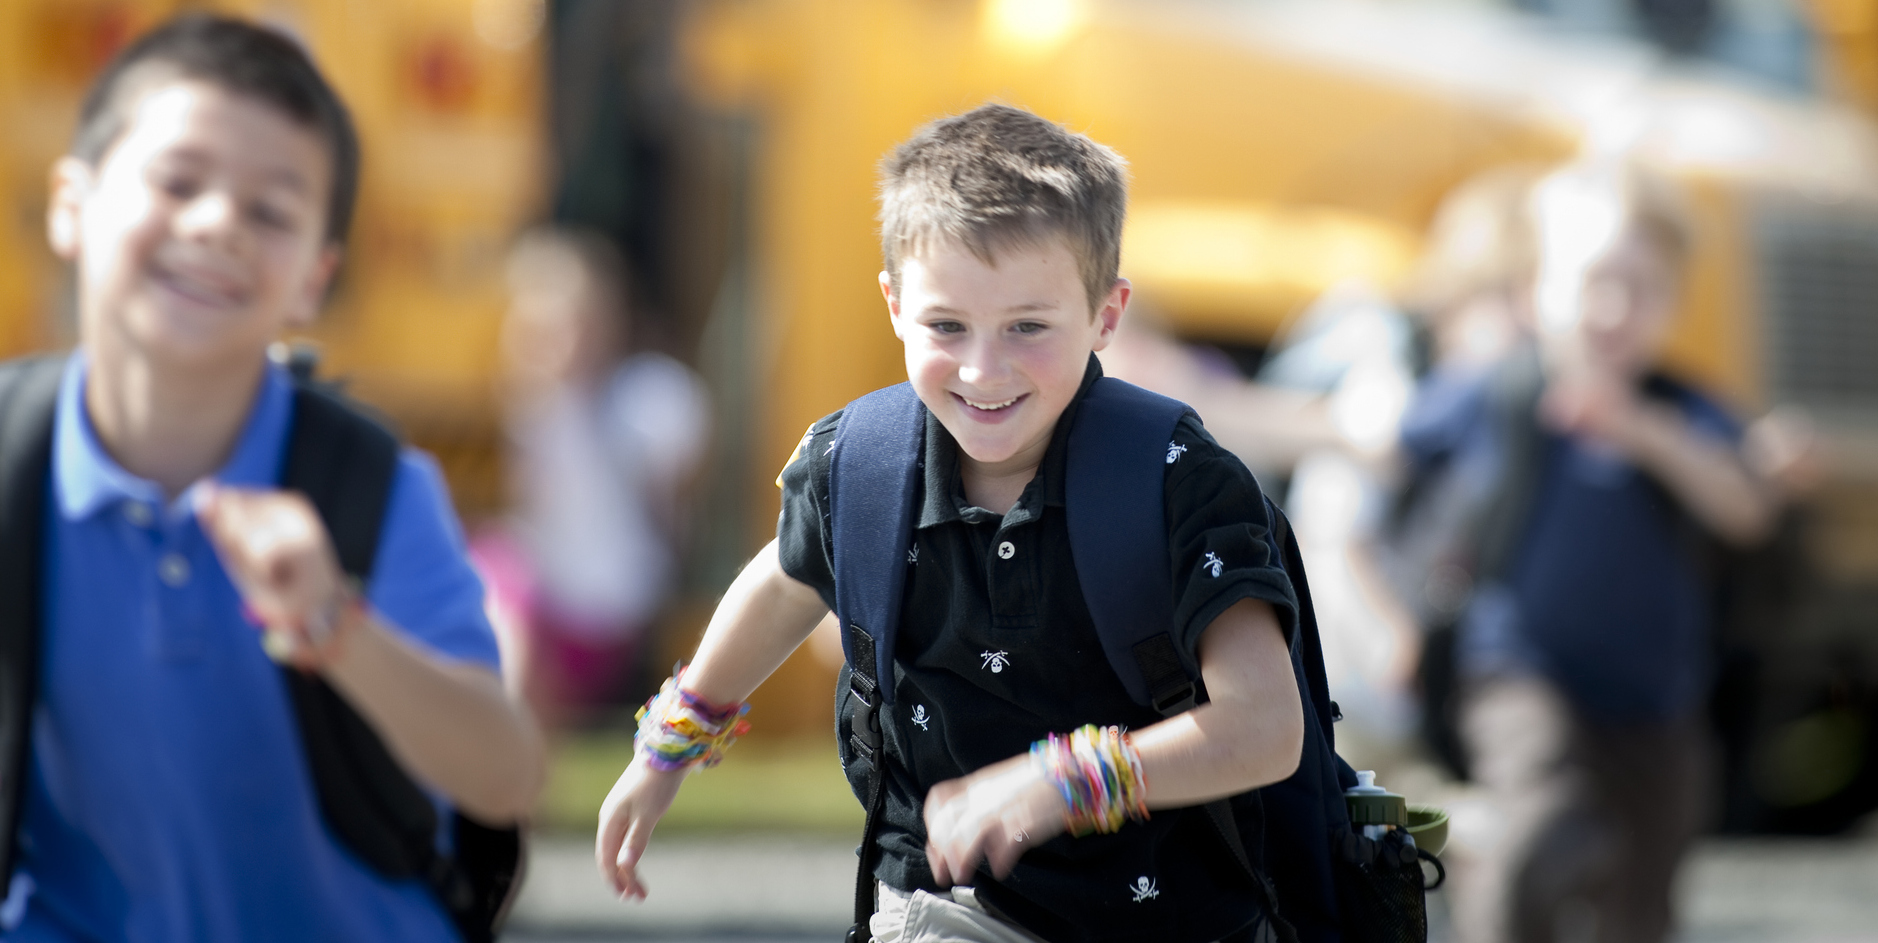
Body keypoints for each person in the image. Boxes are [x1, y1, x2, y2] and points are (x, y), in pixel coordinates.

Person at [596, 104, 1306, 943]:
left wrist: (1056, 782)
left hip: (1174, 918)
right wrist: (668, 744)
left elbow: (1264, 729)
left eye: (1029, 327)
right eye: (946, 326)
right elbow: (784, 584)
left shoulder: (1177, 480)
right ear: (894, 304)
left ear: (1107, 315)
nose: (982, 369)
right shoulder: (855, 464)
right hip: (944, 907)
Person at [8, 15, 543, 940]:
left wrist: (334, 623)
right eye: (177, 181)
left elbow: (505, 774)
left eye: (271, 211)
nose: (217, 224)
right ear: (70, 204)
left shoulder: (371, 485)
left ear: (312, 278)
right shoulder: (13, 461)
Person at [1398, 161, 1781, 943]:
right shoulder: (1504, 390)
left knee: (1642, 899)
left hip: (1656, 700)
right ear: (1539, 292)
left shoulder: (1680, 406)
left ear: (1673, 304)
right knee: (1540, 831)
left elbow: (1745, 507)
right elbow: (1393, 438)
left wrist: (1639, 430)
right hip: (1524, 671)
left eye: (1642, 288)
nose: (1615, 307)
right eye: (1595, 281)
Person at [475, 226, 707, 728]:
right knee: (492, 574)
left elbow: (666, 510)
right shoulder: (537, 411)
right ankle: (501, 728)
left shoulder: (647, 399)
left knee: (504, 595)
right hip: (543, 602)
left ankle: (506, 736)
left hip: (604, 614)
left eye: (565, 327)